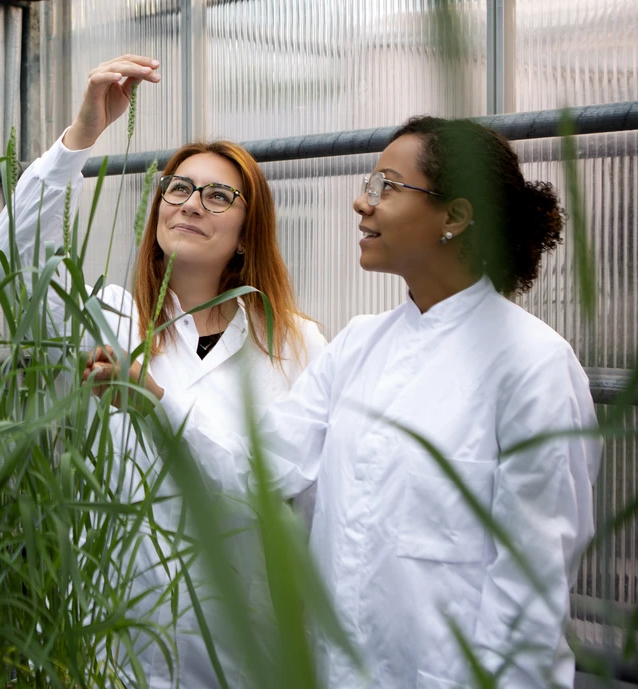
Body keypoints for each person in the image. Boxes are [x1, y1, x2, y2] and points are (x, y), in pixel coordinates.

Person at [104, 115, 600, 688]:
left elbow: (530, 593)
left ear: (456, 216)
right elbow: (255, 470)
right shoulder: (359, 346)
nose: (361, 203)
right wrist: (152, 398)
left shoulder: (533, 363)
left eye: (386, 186)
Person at [0, 54, 326, 688]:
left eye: (220, 195)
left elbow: (273, 481)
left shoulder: (296, 346)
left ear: (249, 231)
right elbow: (7, 264)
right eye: (178, 188)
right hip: (121, 644)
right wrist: (81, 134)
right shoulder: (113, 318)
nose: (193, 203)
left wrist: (155, 400)